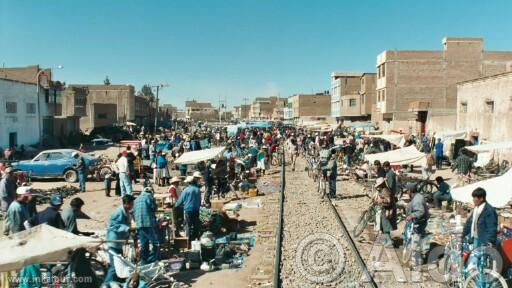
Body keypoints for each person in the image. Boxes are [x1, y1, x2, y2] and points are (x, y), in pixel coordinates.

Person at [104, 195, 135, 285]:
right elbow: (113, 225)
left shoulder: (127, 212)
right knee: (114, 267)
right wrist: (127, 228)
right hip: (113, 242)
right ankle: (106, 284)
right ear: (127, 204)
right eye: (132, 203)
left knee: (120, 265)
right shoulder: (118, 212)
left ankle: (117, 282)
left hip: (119, 243)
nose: (133, 205)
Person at [132, 187, 159, 265]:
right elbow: (154, 208)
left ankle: (144, 263)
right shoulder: (149, 196)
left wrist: (136, 220)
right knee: (156, 243)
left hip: (139, 225)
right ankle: (151, 260)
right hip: (147, 224)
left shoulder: (136, 199)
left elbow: (132, 212)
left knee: (144, 244)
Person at [405, 183, 430, 268]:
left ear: (410, 191)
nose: (406, 192)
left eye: (407, 190)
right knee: (416, 241)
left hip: (419, 223)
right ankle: (419, 260)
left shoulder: (417, 199)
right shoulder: (417, 196)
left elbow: (420, 211)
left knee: (415, 243)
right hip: (418, 222)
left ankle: (414, 263)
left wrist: (411, 216)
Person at [174, 175, 201, 242]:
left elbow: (180, 200)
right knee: (195, 225)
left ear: (189, 183)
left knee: (188, 225)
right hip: (196, 209)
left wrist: (175, 206)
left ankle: (188, 240)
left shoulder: (186, 190)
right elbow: (199, 200)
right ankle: (196, 238)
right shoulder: (197, 189)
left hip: (188, 210)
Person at [374, 177, 397, 247]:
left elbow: (388, 202)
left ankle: (389, 241)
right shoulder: (384, 190)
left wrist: (380, 201)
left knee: (385, 227)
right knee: (384, 226)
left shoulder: (385, 191)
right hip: (385, 210)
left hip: (388, 210)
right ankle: (387, 240)